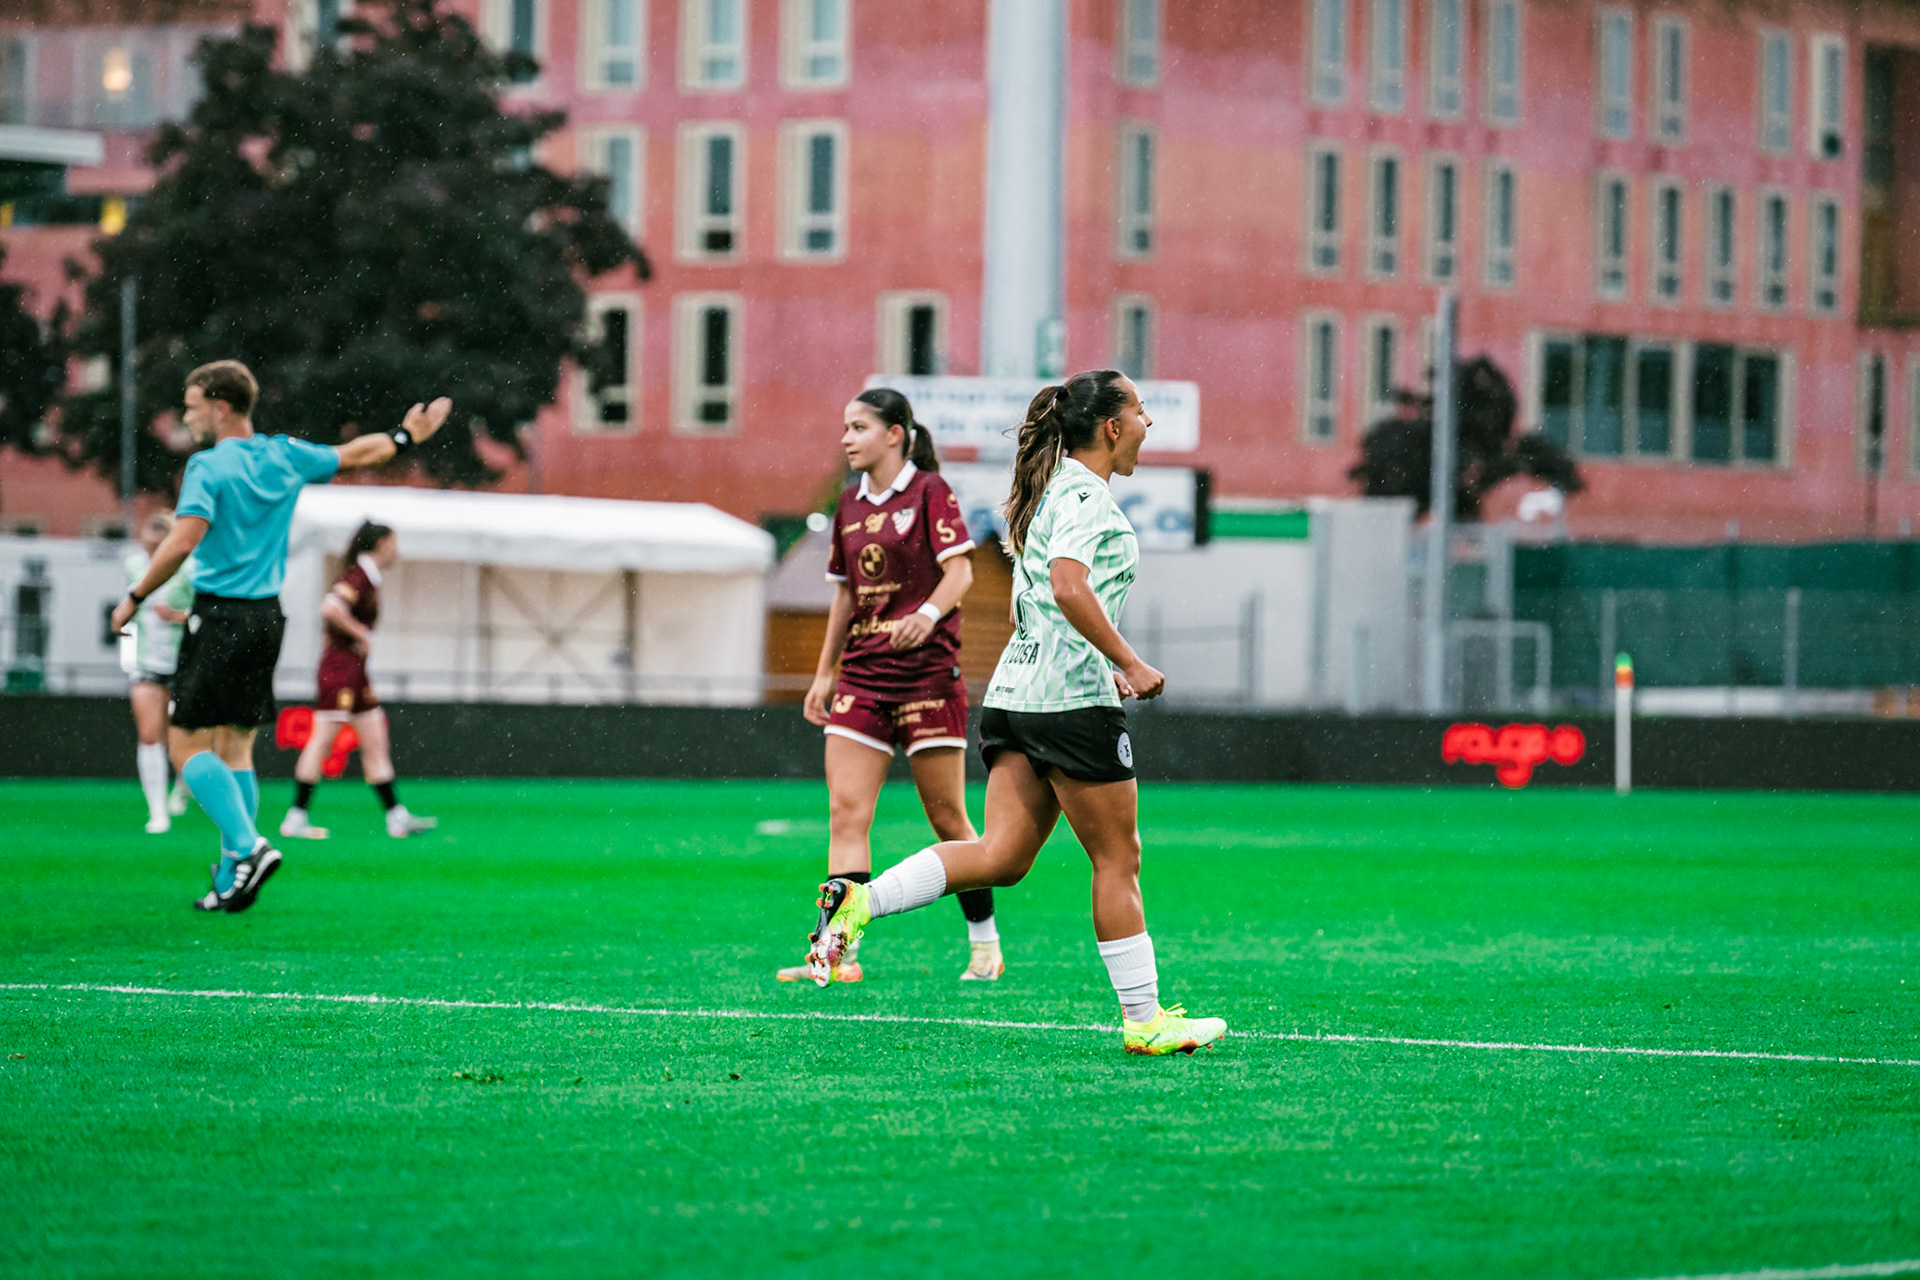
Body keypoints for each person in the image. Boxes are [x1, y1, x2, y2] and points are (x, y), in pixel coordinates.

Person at [806, 370, 1227, 1056]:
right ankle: (1146, 1019)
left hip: (1014, 696)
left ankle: (860, 903)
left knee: (1001, 857)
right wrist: (1127, 662)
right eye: (1142, 412)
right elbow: (1066, 588)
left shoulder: (1048, 492)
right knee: (1118, 859)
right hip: (1069, 705)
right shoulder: (1087, 499)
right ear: (1112, 428)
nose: (1148, 424)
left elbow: (1024, 602)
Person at [110, 359, 451, 913]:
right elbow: (356, 454)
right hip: (268, 618)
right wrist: (406, 434)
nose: (187, 414)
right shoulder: (284, 454)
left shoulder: (208, 466)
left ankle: (248, 847)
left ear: (220, 407)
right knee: (236, 747)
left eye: (192, 404)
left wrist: (135, 596)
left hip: (218, 617)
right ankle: (230, 879)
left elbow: (181, 541)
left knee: (185, 745)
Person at [778, 388, 1004, 984]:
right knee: (846, 813)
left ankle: (985, 944)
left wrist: (925, 616)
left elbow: (962, 572)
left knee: (949, 818)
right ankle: (837, 953)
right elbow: (845, 596)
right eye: (845, 427)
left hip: (929, 679)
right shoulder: (849, 503)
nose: (847, 438)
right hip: (861, 678)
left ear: (895, 433)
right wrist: (824, 672)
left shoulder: (931, 492)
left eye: (858, 427)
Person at [280, 520, 437, 840]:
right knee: (322, 741)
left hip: (354, 670)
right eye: (394, 542)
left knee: (376, 738)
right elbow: (330, 607)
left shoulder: (367, 576)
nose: (398, 550)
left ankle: (396, 817)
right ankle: (295, 818)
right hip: (340, 670)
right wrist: (360, 632)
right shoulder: (359, 576)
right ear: (380, 544)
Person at [123, 510, 195, 833]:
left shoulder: (189, 568)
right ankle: (157, 811)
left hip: (183, 665)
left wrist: (180, 616)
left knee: (183, 737)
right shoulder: (133, 565)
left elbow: (208, 612)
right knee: (150, 735)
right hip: (146, 663)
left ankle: (182, 787)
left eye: (159, 532)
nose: (151, 537)